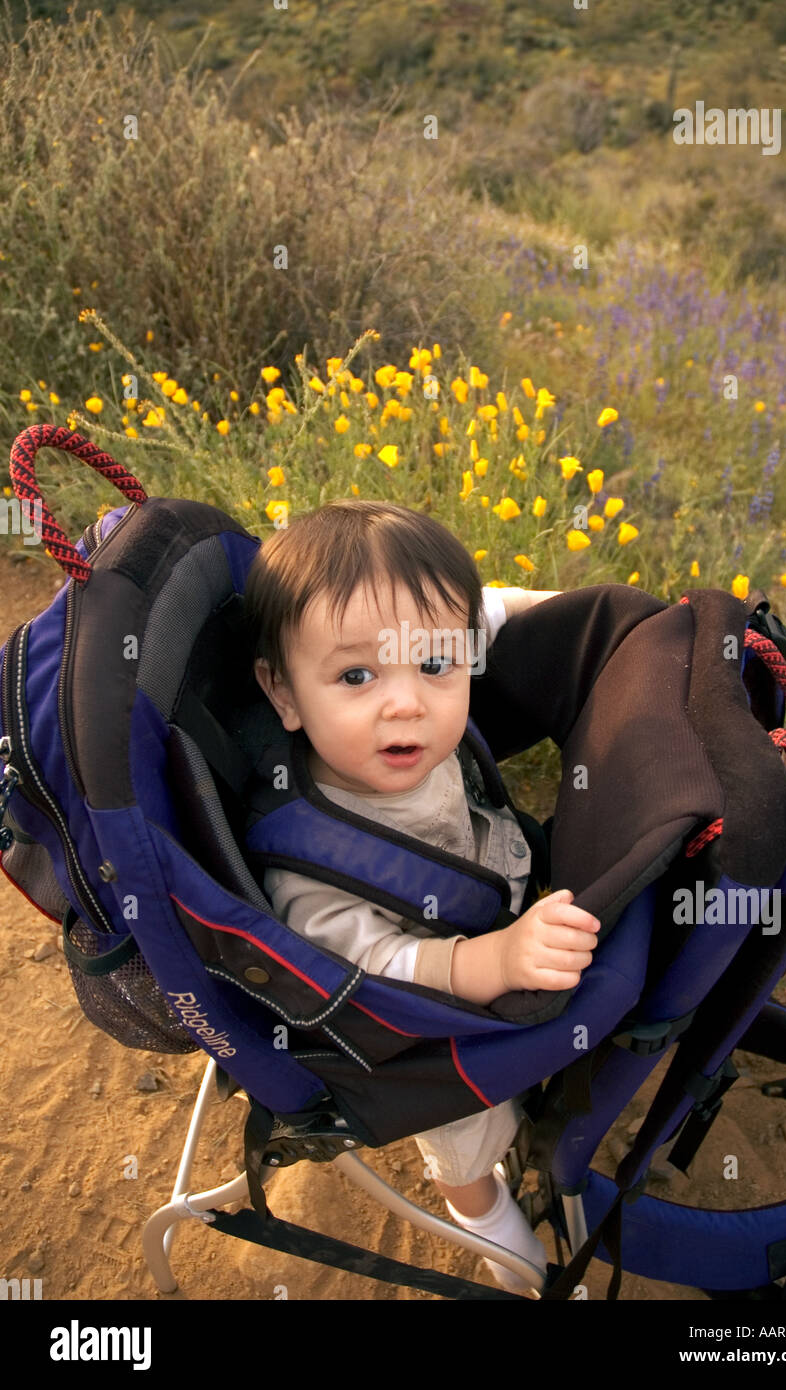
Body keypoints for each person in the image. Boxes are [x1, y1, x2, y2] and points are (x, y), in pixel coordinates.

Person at [244, 498, 600, 1293]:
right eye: (357, 675)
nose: (406, 701)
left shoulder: (397, 729)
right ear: (285, 693)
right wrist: (492, 958)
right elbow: (379, 967)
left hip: (489, 898)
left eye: (435, 663)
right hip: (424, 1033)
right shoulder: (309, 866)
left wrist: (584, 612)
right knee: (465, 1143)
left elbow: (493, 611)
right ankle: (491, 1228)